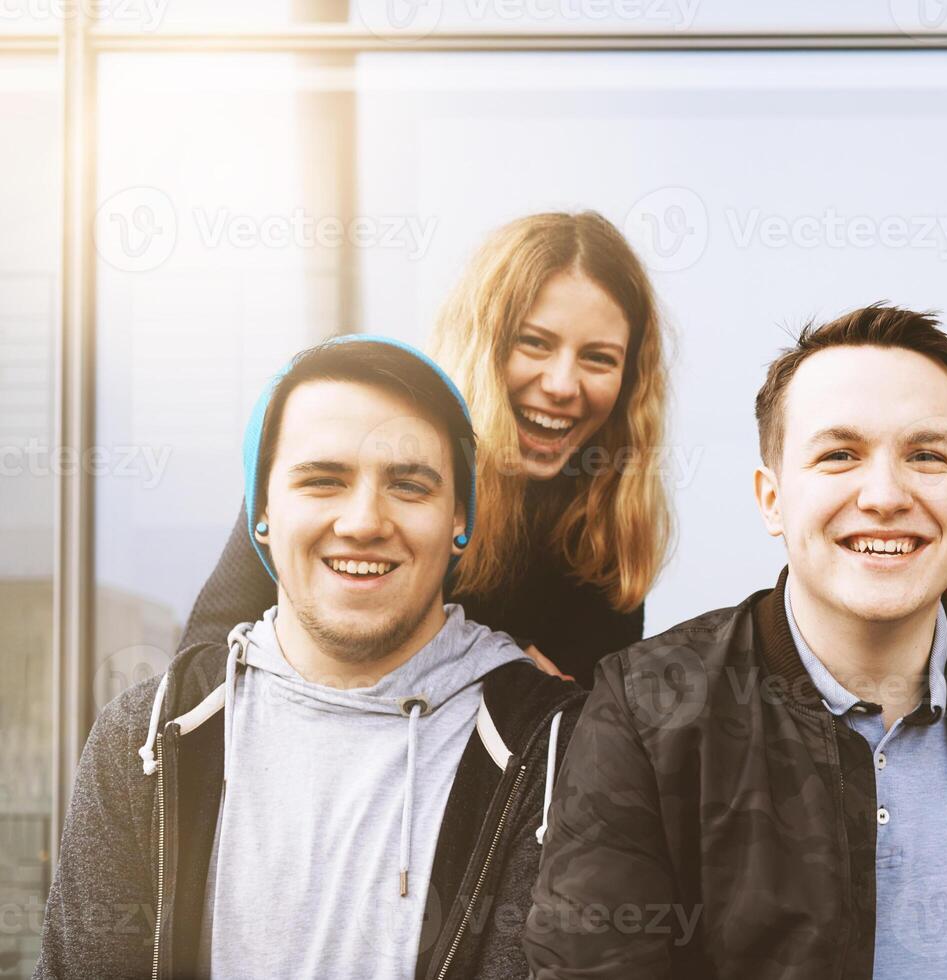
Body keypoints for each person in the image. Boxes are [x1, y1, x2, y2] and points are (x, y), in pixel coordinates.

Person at [524, 305, 947, 980]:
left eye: (925, 455)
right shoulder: (646, 709)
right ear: (772, 498)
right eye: (839, 455)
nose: (885, 495)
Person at [36, 337, 583, 979]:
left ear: (459, 517)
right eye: (323, 480)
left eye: (408, 485)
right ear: (262, 512)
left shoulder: (551, 752)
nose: (362, 521)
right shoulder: (148, 740)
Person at [181, 211, 673, 685]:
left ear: (629, 379)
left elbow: (592, 733)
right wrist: (488, 660)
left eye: (598, 358)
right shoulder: (350, 458)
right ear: (481, 345)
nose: (564, 384)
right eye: (534, 343)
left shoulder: (609, 516)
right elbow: (202, 666)